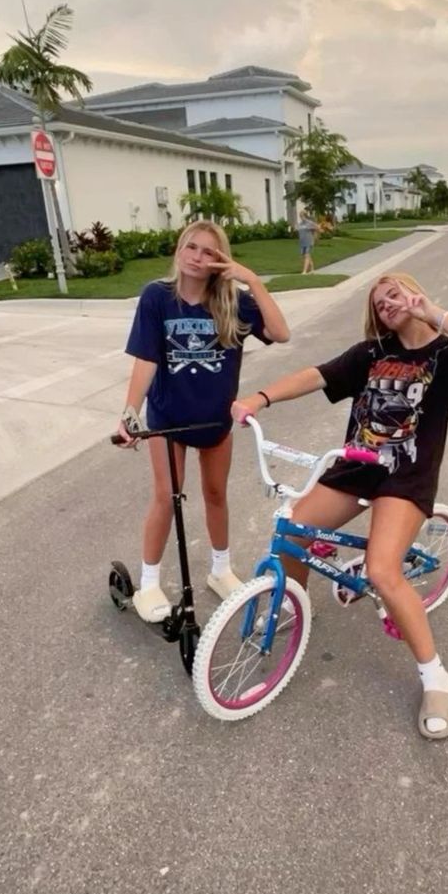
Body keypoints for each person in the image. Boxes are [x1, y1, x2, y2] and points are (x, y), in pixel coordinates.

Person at [231, 272, 448, 741]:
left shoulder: (447, 355)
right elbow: (316, 375)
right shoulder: (373, 353)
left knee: (384, 571)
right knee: (293, 527)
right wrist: (259, 397)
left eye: (394, 294)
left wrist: (426, 310)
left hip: (406, 475)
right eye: (379, 302)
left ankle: (435, 677)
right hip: (355, 468)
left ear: (414, 291)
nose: (387, 304)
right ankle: (295, 602)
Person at [117, 219, 290, 623]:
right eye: (191, 247)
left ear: (220, 259)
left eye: (209, 251)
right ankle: (149, 582)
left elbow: (281, 333)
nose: (198, 257)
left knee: (216, 495)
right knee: (167, 496)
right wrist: (130, 412)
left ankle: (221, 569)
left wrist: (250, 280)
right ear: (179, 251)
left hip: (214, 419)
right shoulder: (157, 298)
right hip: (168, 420)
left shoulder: (233, 300)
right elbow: (146, 359)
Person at [297, 208, 318, 275]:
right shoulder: (300, 224)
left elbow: (316, 229)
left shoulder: (310, 223)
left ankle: (304, 271)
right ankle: (312, 269)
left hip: (309, 241)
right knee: (307, 256)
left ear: (305, 216)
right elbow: (299, 231)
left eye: (302, 216)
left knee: (307, 255)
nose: (301, 217)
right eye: (300, 216)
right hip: (302, 242)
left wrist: (314, 239)